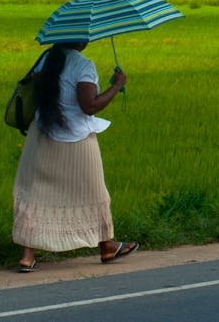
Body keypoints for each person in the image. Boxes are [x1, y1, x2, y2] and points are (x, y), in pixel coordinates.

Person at [12, 41, 137, 271]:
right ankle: (107, 246)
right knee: (94, 191)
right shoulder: (83, 65)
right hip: (77, 141)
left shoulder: (46, 59)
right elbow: (89, 106)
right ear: (80, 39)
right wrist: (117, 86)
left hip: (41, 137)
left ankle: (27, 256)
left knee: (33, 193)